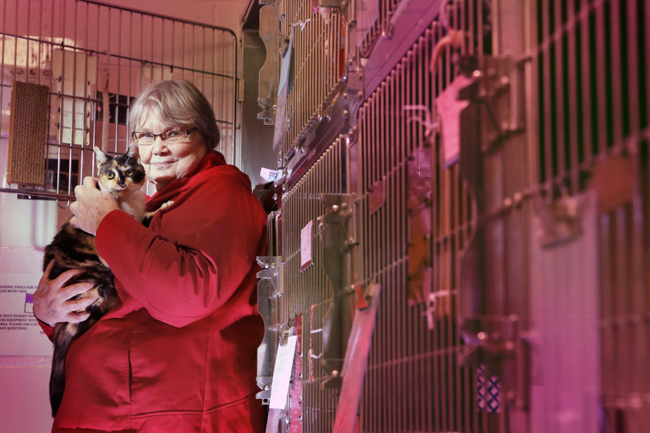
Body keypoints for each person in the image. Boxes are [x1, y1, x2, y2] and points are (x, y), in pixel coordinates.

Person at [34, 79, 267, 433]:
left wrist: (106, 221)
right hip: (108, 409)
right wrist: (49, 312)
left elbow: (186, 294)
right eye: (144, 136)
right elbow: (121, 295)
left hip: (167, 414)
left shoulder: (222, 192)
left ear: (204, 135)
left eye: (173, 133)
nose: (156, 148)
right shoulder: (155, 205)